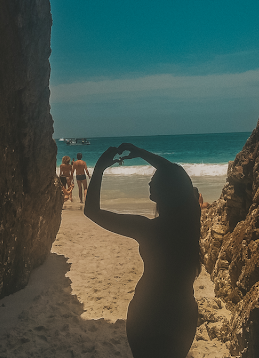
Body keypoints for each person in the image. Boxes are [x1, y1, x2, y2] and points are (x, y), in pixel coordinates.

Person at [84, 143, 201, 358]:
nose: (149, 181)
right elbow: (177, 175)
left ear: (165, 190)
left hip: (147, 312)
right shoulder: (192, 217)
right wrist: (140, 153)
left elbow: (91, 211)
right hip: (182, 313)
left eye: (154, 179)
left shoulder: (147, 229)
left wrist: (99, 169)